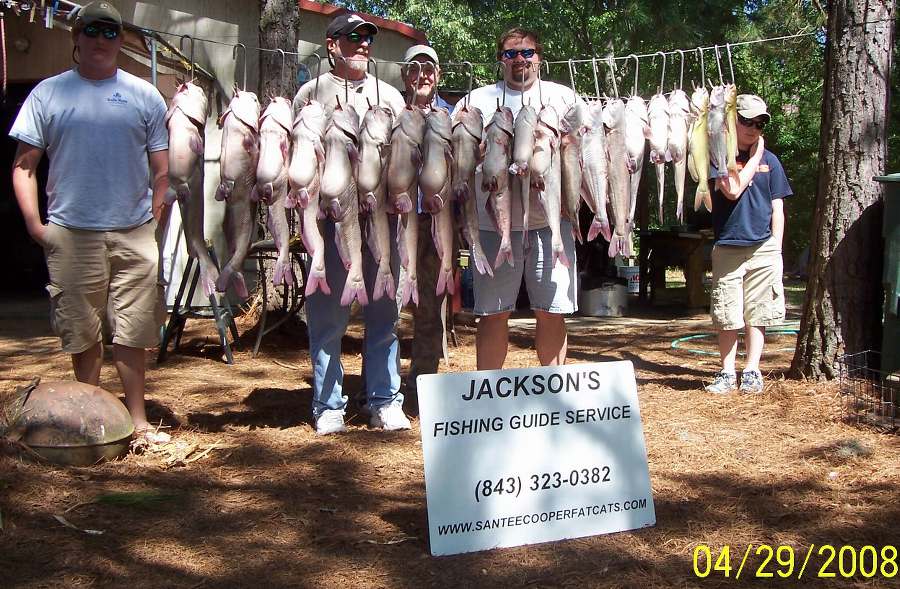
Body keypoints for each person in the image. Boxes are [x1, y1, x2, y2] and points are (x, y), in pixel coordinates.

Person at [10, 1, 171, 443]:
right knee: (83, 334)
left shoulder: (144, 95)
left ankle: (137, 422)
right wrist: (35, 226)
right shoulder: (48, 94)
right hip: (71, 232)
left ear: (120, 40)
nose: (101, 40)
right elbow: (24, 167)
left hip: (133, 231)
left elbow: (162, 169)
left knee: (133, 329)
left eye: (110, 32)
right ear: (76, 37)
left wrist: (154, 219)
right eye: (92, 31)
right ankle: (90, 424)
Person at [292, 13, 410, 434]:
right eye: (353, 37)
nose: (363, 44)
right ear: (331, 44)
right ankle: (328, 404)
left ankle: (384, 399)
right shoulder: (311, 93)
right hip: (332, 222)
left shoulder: (391, 97)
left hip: (381, 222)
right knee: (328, 318)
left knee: (385, 312)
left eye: (368, 39)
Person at [451, 28, 582, 370]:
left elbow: (582, 150)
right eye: (510, 54)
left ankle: (554, 392)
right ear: (500, 60)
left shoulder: (563, 97)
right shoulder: (475, 100)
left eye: (527, 52)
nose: (519, 59)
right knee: (493, 313)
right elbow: (457, 156)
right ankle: (490, 395)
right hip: (493, 227)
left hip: (549, 226)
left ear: (539, 57)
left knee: (552, 311)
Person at [705, 95, 792, 394]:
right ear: (733, 120)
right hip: (728, 245)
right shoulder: (719, 155)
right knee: (728, 313)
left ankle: (752, 370)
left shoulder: (773, 162)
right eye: (747, 121)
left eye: (760, 123)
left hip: (763, 248)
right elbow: (732, 190)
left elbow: (778, 207)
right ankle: (727, 372)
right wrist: (756, 156)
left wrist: (776, 248)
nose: (754, 128)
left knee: (758, 311)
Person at [400, 44, 453, 390]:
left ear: (439, 75)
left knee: (431, 311)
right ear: (405, 75)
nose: (423, 75)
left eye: (430, 68)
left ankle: (423, 385)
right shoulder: (390, 111)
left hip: (438, 224)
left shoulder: (453, 116)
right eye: (416, 68)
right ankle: (384, 387)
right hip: (399, 222)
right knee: (388, 307)